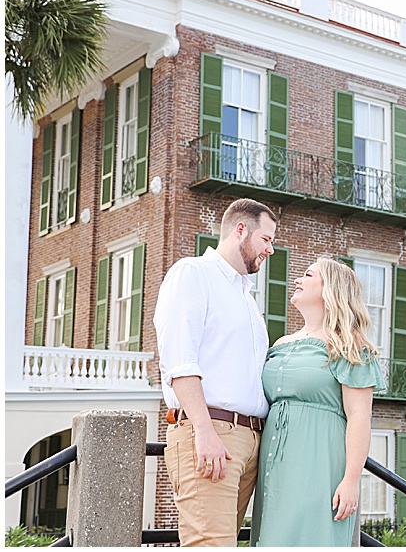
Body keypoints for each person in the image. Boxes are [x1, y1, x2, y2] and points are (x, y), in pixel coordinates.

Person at [154, 198, 278, 546]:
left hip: (249, 440)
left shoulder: (245, 296)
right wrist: (203, 431)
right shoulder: (192, 274)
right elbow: (180, 361)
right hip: (212, 432)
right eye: (266, 239)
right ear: (241, 230)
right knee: (211, 545)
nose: (270, 249)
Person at [251, 257, 386, 547]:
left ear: (330, 290)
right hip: (275, 463)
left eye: (308, 274)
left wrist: (351, 480)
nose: (297, 280)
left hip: (319, 462)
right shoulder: (281, 344)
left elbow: (360, 417)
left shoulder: (350, 346)